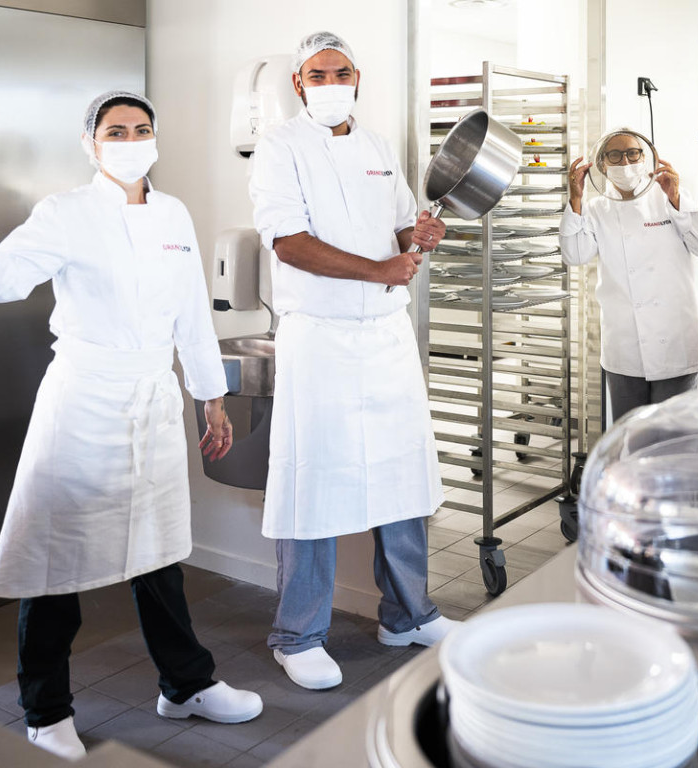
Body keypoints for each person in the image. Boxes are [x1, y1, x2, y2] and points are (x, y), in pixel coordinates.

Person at [0, 91, 263, 760]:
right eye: (114, 130)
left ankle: (185, 685)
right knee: (54, 558)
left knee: (159, 555)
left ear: (156, 137)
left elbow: (190, 321)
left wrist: (211, 400)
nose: (129, 139)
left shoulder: (175, 214)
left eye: (141, 128)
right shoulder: (66, 212)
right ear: (90, 144)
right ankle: (45, 709)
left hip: (151, 400)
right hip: (84, 400)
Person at [249, 31, 456, 692]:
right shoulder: (280, 147)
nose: (331, 82)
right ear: (299, 84)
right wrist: (379, 268)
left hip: (386, 337)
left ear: (357, 78)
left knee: (403, 476)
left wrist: (419, 235)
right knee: (314, 479)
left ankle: (408, 614)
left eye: (341, 71)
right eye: (318, 74)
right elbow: (289, 243)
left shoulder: (374, 146)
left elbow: (401, 227)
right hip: (321, 338)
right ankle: (298, 634)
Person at [560, 129, 698, 421]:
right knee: (630, 438)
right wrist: (575, 199)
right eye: (615, 155)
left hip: (675, 342)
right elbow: (575, 255)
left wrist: (676, 199)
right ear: (602, 164)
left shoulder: (669, 196)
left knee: (674, 439)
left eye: (633, 153)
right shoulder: (596, 209)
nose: (625, 161)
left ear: (645, 158)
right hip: (624, 345)